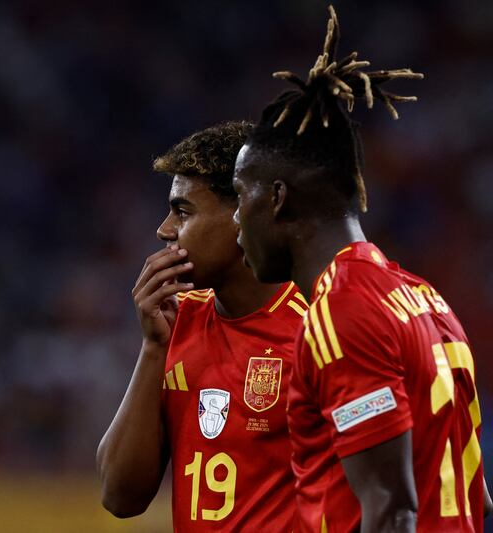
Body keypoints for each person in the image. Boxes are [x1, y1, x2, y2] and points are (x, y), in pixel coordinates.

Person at [231, 6, 491, 532]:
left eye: (241, 197)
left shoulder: (341, 313)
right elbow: (474, 498)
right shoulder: (424, 298)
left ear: (277, 200)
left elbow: (392, 511)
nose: (236, 219)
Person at [96, 121, 306, 531]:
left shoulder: (314, 332)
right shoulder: (177, 321)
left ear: (245, 212)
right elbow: (119, 496)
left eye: (183, 210)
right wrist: (153, 349)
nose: (164, 230)